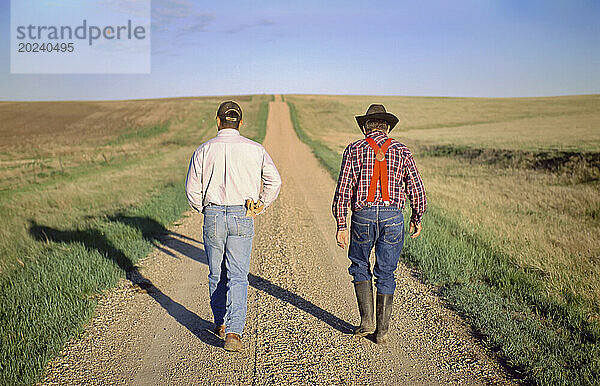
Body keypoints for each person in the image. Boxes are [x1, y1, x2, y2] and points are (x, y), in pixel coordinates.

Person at [185, 101, 281, 352]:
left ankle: (220, 323)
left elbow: (192, 189)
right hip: (242, 213)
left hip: (213, 214)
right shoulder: (255, 149)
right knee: (238, 276)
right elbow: (275, 181)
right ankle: (234, 332)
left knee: (216, 274)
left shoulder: (203, 150)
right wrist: (261, 204)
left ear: (217, 121)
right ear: (240, 122)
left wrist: (203, 209)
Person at [332, 104, 427, 344]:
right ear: (386, 127)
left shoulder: (354, 149)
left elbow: (343, 190)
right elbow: (416, 189)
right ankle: (382, 332)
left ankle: (366, 322)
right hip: (393, 216)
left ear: (366, 127)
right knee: (386, 272)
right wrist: (417, 218)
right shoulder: (402, 150)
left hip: (363, 216)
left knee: (359, 265)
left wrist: (341, 225)